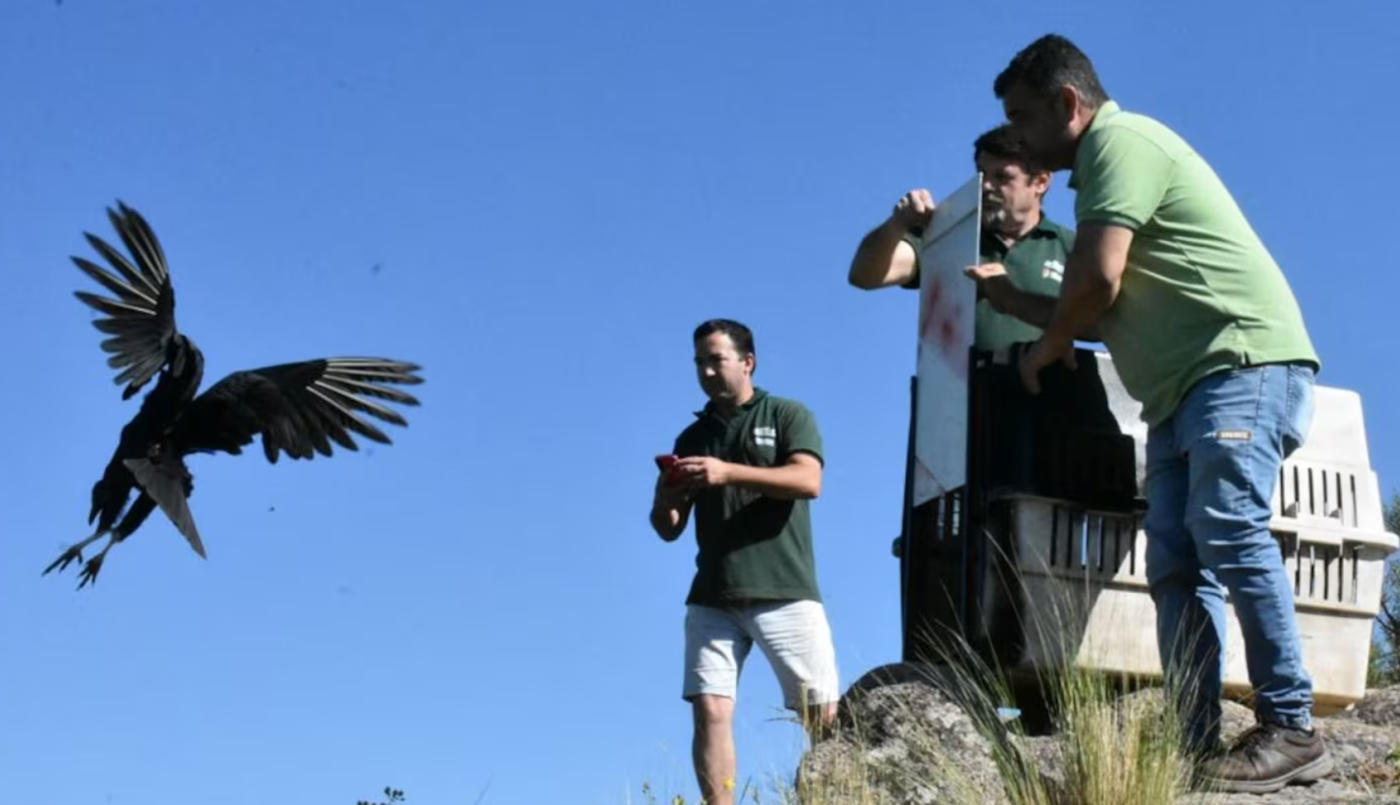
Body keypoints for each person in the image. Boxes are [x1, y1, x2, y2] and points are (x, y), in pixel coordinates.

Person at [992, 33, 1330, 794]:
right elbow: (1094, 298)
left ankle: (1292, 725)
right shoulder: (1102, 177)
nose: (1017, 136)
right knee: (1175, 563)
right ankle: (1192, 737)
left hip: (1238, 364)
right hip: (1181, 393)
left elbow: (1098, 282)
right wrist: (1017, 302)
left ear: (1069, 104)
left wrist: (1045, 346)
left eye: (1023, 116)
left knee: (1228, 528)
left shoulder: (1120, 144)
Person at [649, 318, 840, 805]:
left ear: (747, 361)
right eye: (699, 362)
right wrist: (665, 495)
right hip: (713, 592)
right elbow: (668, 528)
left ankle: (840, 795)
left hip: (785, 588)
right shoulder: (692, 437)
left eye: (716, 359)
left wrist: (727, 472)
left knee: (821, 715)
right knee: (709, 708)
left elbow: (807, 481)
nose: (707, 371)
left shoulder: (786, 413)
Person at [847, 123, 1081, 354]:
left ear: (1041, 182)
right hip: (961, 389)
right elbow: (865, 276)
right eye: (982, 174)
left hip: (1050, 387)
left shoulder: (1070, 246)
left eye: (1002, 176)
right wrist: (896, 224)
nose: (987, 186)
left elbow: (1099, 321)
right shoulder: (948, 234)